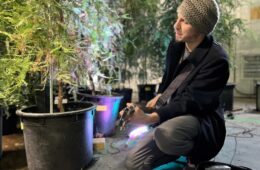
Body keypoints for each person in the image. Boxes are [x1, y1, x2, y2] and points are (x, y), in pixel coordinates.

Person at [121, 0, 230, 169]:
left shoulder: (217, 60)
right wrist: (159, 96)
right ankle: (164, 151)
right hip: (174, 114)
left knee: (168, 133)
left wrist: (151, 117)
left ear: (201, 27)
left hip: (200, 123)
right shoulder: (176, 46)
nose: (176, 25)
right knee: (132, 163)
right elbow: (168, 80)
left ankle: (193, 158)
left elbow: (191, 102)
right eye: (177, 18)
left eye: (184, 21)